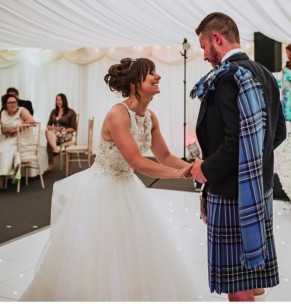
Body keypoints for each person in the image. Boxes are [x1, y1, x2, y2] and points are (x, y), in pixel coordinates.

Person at [20, 58, 196, 300]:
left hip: (127, 188)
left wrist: (194, 168)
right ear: (135, 83)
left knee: (132, 253)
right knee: (99, 256)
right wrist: (181, 174)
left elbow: (164, 155)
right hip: (101, 190)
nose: (158, 77)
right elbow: (137, 162)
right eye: (151, 73)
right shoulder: (118, 114)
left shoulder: (150, 117)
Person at [191, 12, 286, 300]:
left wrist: (205, 169)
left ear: (216, 39)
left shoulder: (228, 77)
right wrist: (256, 167)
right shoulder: (264, 74)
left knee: (238, 289)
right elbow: (278, 133)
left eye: (204, 47)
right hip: (259, 190)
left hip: (233, 195)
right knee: (248, 278)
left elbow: (236, 143)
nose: (205, 56)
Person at [0, 92, 36, 193]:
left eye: (14, 102)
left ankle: (0, 180)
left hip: (23, 140)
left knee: (6, 152)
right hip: (10, 140)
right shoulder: (3, 113)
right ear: (5, 105)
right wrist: (7, 131)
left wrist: (17, 129)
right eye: (10, 103)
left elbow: (31, 120)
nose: (13, 104)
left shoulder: (22, 111)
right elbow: (2, 130)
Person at [45, 93, 77, 170]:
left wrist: (63, 130)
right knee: (48, 132)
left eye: (60, 99)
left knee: (49, 139)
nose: (58, 101)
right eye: (57, 100)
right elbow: (48, 125)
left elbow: (73, 128)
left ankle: (52, 159)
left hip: (66, 134)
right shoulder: (54, 111)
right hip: (54, 134)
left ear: (64, 101)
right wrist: (54, 128)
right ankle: (56, 150)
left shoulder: (71, 112)